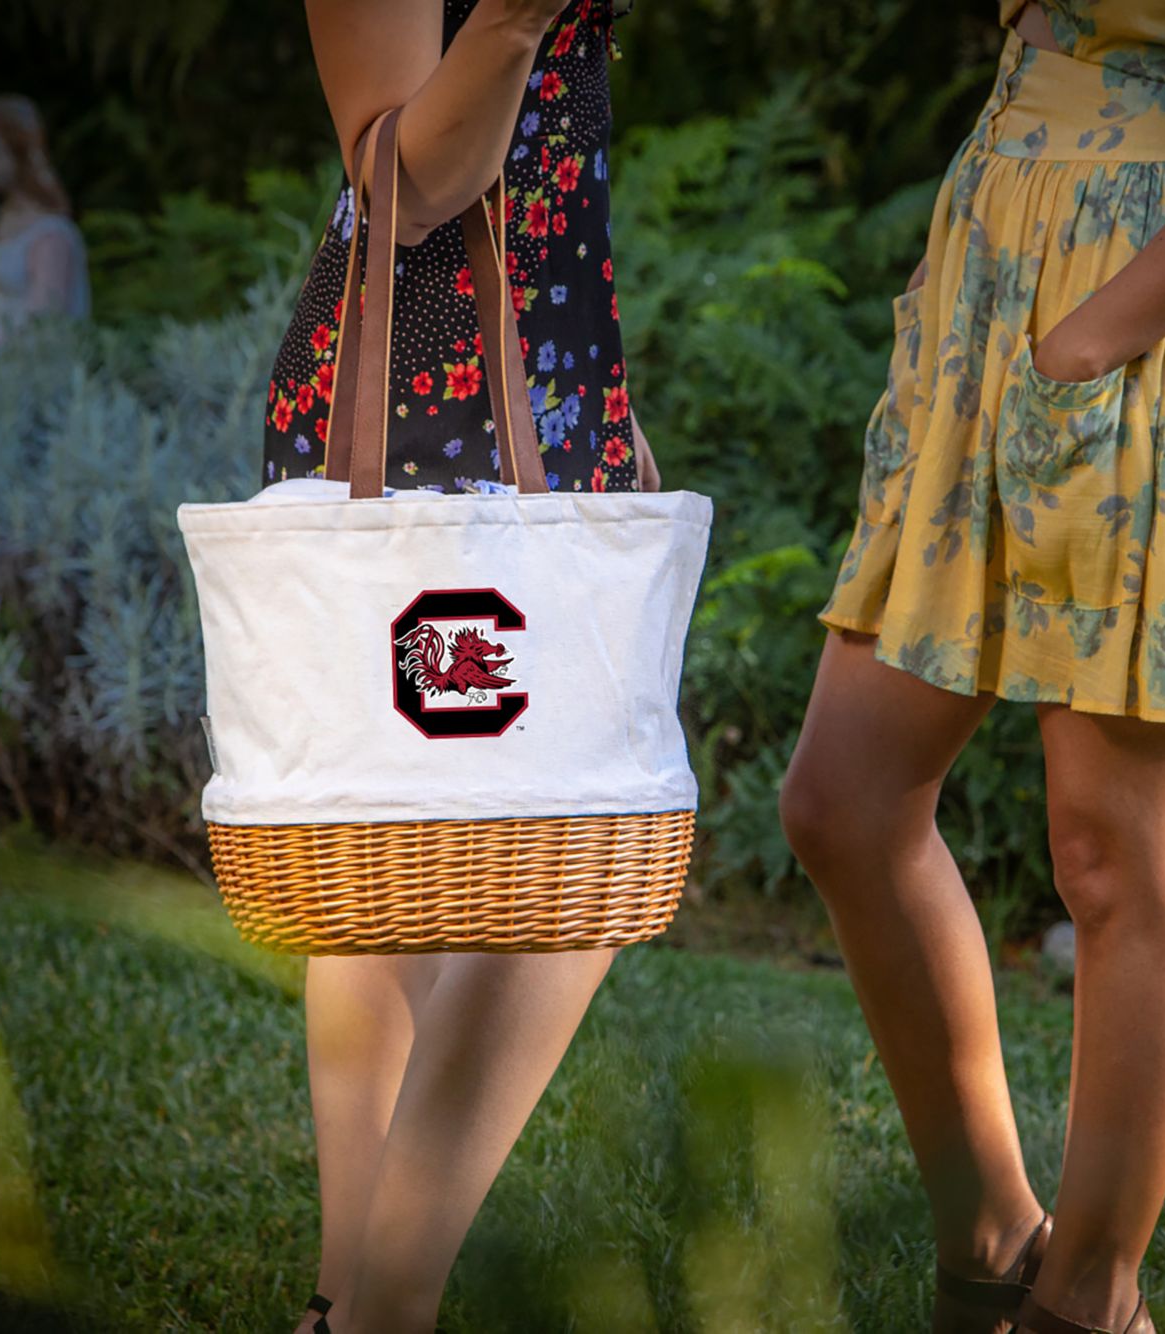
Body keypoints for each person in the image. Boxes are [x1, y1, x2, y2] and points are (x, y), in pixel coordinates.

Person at [778, 3, 1165, 1332]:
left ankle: (1090, 1296)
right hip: (988, 276)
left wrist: (1084, 343)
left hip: (1143, 315)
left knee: (1111, 844)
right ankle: (990, 1244)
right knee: (843, 803)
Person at [263, 3, 656, 1331]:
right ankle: (386, 1305)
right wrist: (507, 25)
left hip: (553, 368)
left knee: (454, 867)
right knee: (525, 852)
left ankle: (348, 1302)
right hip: (408, 393)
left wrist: (602, 382)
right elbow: (412, 183)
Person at [0, 94, 92, 357]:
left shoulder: (51, 234)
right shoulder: (6, 215)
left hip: (24, 374)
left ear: (19, 154)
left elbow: (42, 327)